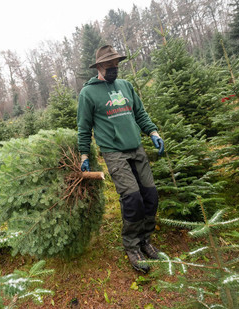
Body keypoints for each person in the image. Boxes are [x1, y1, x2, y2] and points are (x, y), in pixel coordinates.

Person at [77, 45, 165, 273]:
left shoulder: (125, 86)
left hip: (136, 148)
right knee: (132, 199)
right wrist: (84, 154)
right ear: (99, 67)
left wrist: (153, 132)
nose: (114, 69)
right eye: (109, 66)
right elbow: (84, 127)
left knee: (150, 196)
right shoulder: (88, 93)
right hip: (114, 152)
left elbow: (140, 114)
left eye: (116, 65)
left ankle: (145, 239)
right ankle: (132, 246)